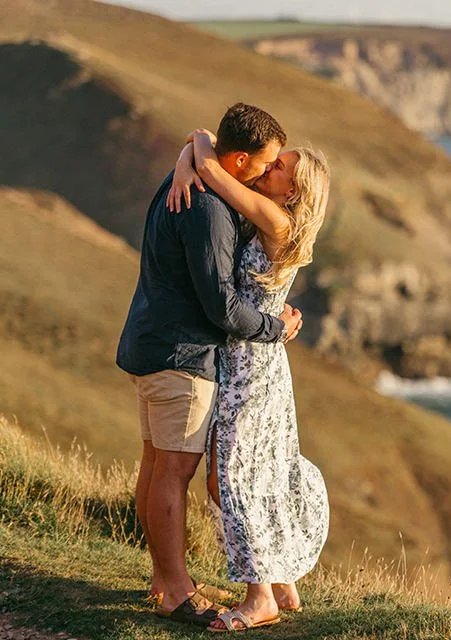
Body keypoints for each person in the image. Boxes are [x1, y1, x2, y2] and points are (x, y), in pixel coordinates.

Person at [116, 103, 303, 628]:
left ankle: (162, 577)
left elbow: (201, 140)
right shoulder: (209, 208)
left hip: (150, 341)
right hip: (183, 356)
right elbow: (221, 307)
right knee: (173, 473)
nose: (268, 173)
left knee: (156, 466)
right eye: (265, 165)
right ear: (239, 161)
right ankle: (176, 589)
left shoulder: (189, 180)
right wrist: (276, 328)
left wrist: (189, 154)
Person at [167, 124, 331, 632]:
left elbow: (210, 159)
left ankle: (261, 597)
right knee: (243, 474)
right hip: (255, 360)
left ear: (293, 191)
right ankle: (280, 581)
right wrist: (182, 164)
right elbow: (204, 139)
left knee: (234, 477)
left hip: (250, 368)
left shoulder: (277, 222)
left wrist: (188, 163)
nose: (270, 164)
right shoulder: (273, 221)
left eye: (280, 166)